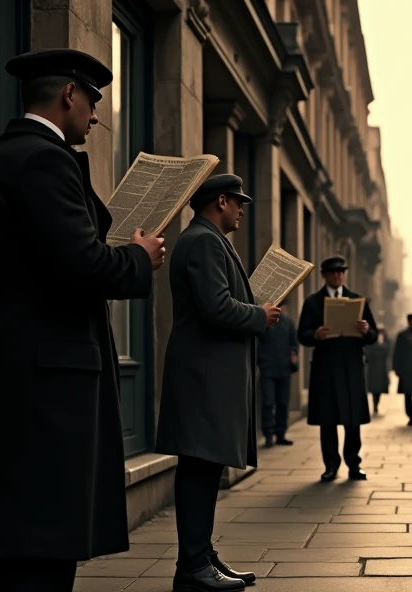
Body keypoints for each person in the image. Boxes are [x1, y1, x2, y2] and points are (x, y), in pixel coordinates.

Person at [0, 48, 166, 592]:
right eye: (92, 101)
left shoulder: (7, 157)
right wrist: (139, 257)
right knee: (41, 549)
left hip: (25, 368)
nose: (96, 115)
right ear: (69, 93)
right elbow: (84, 264)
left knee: (19, 544)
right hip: (46, 382)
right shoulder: (44, 160)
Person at [155, 174, 280, 592]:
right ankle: (193, 564)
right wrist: (259, 315)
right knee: (198, 469)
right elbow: (216, 306)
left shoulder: (206, 238)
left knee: (204, 470)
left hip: (207, 376)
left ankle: (201, 556)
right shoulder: (204, 241)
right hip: (203, 377)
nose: (243, 209)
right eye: (239, 202)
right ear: (221, 202)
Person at [298, 256, 379, 482]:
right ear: (324, 275)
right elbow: (301, 334)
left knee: (352, 420)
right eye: (333, 272)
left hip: (351, 368)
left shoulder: (357, 301)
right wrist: (315, 334)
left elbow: (373, 336)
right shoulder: (313, 302)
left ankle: (354, 464)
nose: (338, 275)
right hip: (326, 368)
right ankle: (331, 465)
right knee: (328, 419)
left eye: (341, 272)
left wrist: (366, 330)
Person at [258, 312, 300, 447]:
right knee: (268, 403)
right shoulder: (264, 321)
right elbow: (257, 343)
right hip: (267, 369)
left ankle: (281, 433)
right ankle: (269, 434)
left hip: (284, 369)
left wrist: (293, 355)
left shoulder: (287, 321)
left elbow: (294, 343)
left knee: (283, 403)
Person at [366, 329, 392, 414]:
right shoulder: (371, 344)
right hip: (373, 370)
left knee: (380, 390)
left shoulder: (385, 343)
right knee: (374, 390)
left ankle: (376, 405)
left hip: (382, 370)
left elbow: (387, 351)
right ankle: (375, 406)